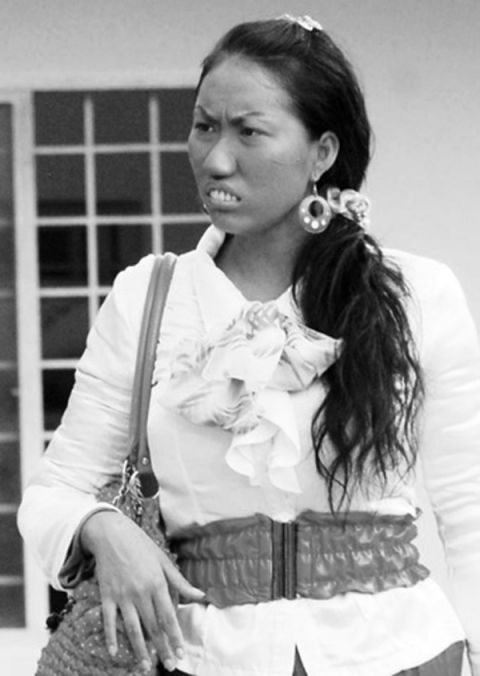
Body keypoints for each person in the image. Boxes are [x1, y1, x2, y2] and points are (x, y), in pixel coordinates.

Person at [18, 14, 480, 676]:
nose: (215, 158)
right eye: (204, 126)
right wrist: (102, 527)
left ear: (322, 152)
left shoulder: (414, 294)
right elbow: (52, 495)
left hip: (400, 653)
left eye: (249, 132)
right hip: (203, 658)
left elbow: (470, 508)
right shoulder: (149, 298)